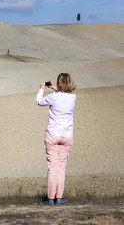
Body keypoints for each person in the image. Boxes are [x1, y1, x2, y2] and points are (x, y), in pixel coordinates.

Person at [35, 73, 76, 205]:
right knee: (61, 166)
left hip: (53, 134)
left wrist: (42, 88)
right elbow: (64, 96)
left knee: (52, 166)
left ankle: (51, 198)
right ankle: (59, 197)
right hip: (67, 136)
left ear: (59, 83)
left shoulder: (53, 97)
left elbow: (39, 102)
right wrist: (56, 89)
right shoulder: (73, 98)